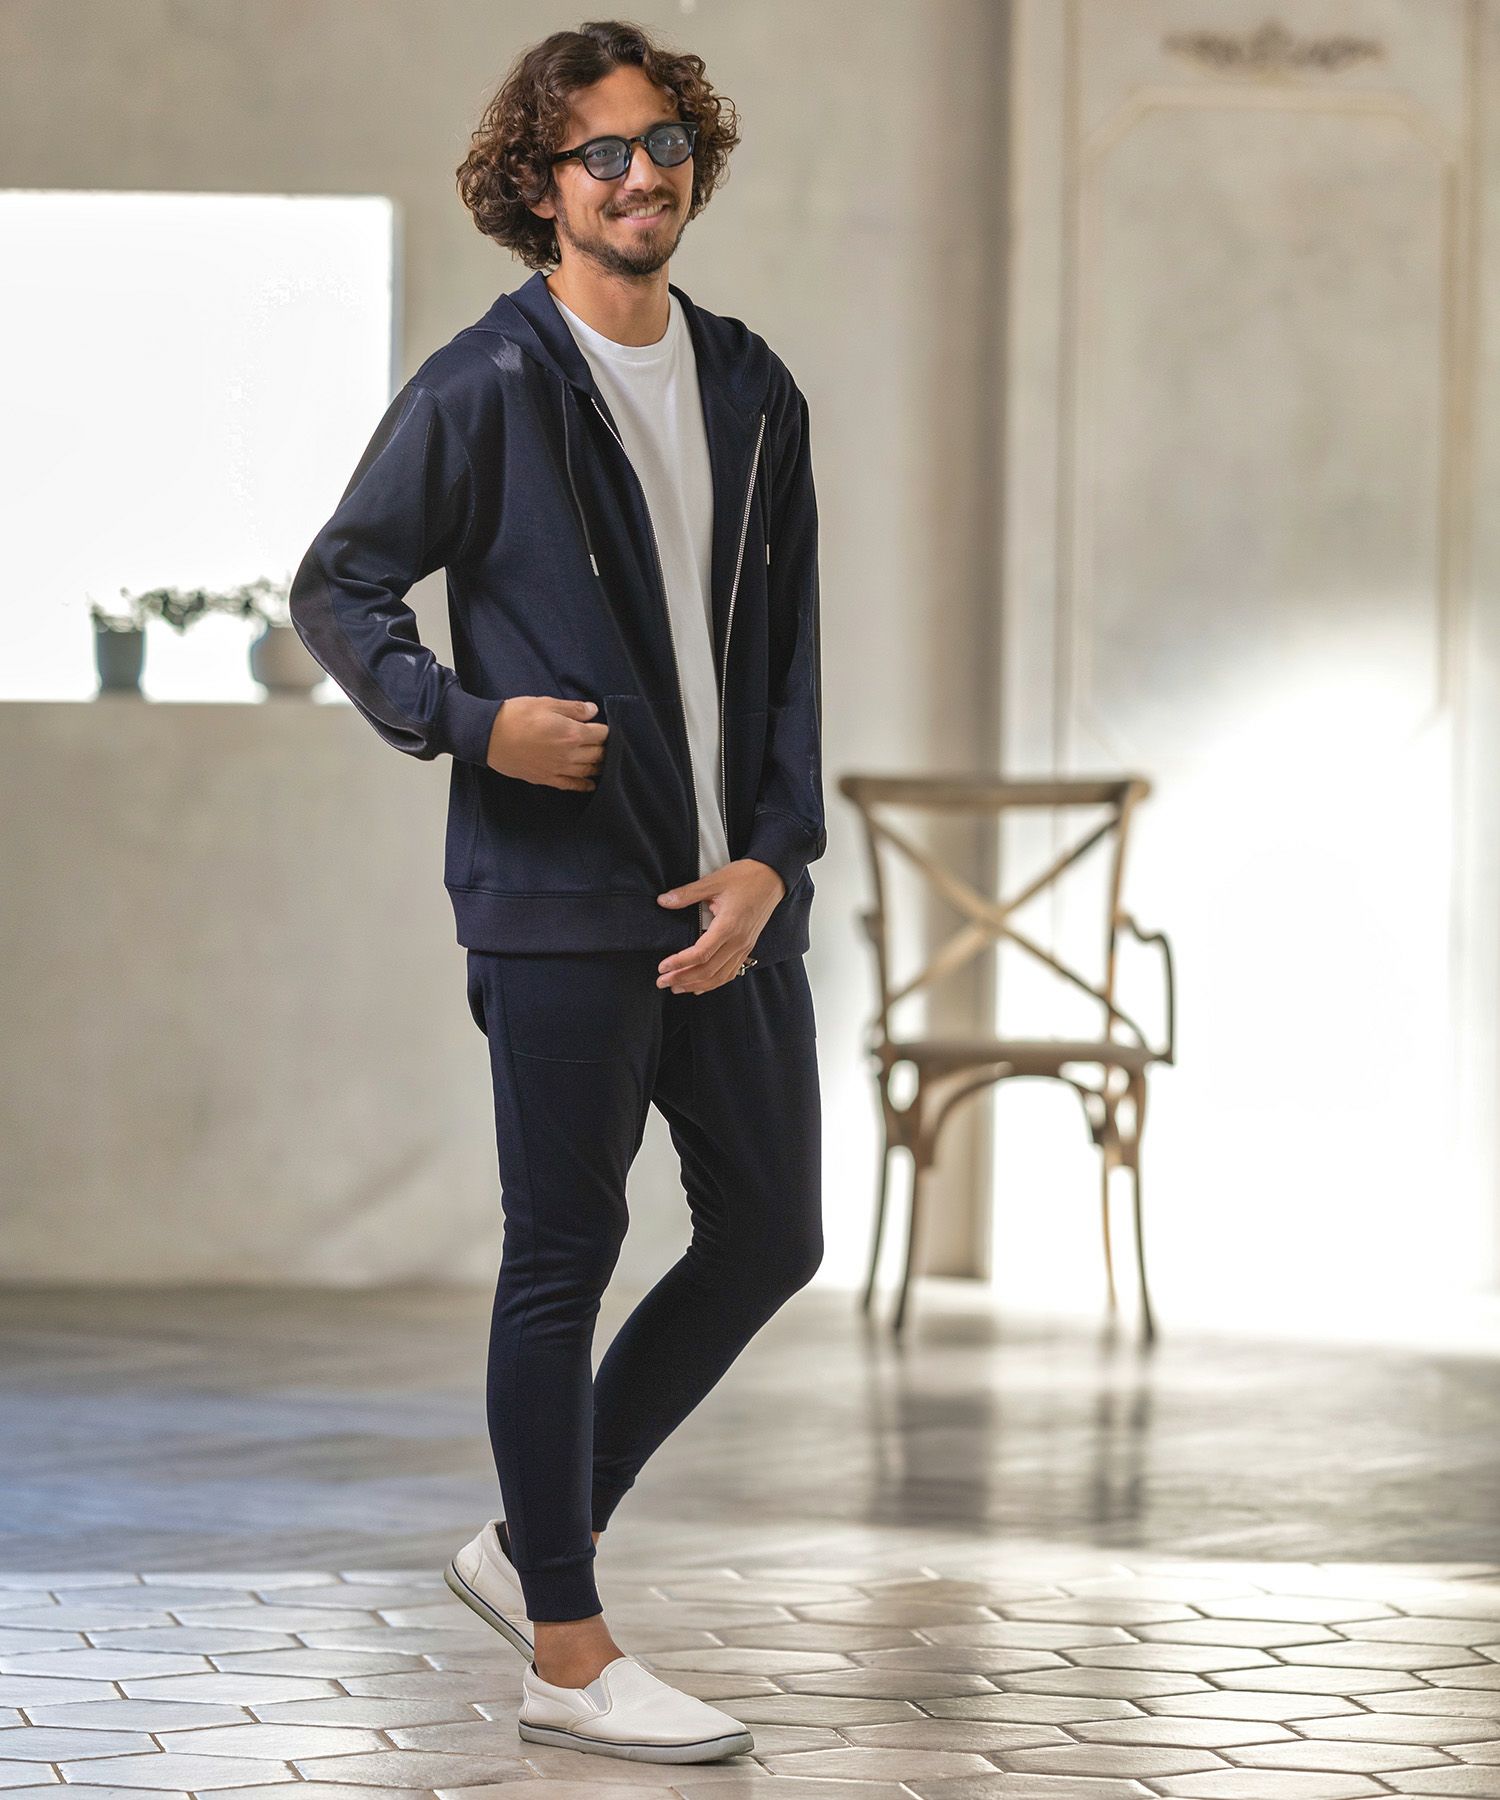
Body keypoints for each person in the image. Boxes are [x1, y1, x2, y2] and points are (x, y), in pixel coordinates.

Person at [287, 17, 825, 1764]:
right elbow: (340, 586)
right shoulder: (487, 384)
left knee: (774, 1232)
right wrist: (470, 724)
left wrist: (775, 856)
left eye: (664, 142)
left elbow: (789, 661)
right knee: (565, 1254)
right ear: (541, 185)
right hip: (558, 903)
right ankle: (569, 1656)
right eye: (602, 151)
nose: (642, 173)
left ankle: (531, 1541)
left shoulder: (751, 386)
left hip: (728, 897)